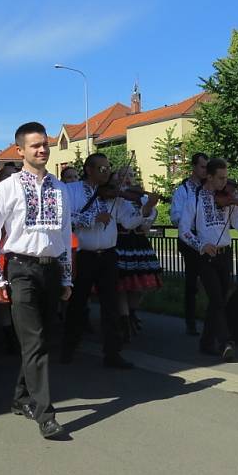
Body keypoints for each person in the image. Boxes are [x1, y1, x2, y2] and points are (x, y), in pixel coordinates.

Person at [0, 122, 72, 439]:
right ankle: (45, 414)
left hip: (50, 269)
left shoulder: (60, 189)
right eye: (35, 145)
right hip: (20, 269)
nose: (42, 149)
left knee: (43, 340)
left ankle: (21, 397)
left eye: (45, 144)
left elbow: (63, 235)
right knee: (33, 342)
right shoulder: (7, 188)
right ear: (20, 150)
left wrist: (67, 278)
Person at [63, 153, 157, 368]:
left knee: (111, 305)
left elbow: (130, 222)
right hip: (84, 255)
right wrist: (92, 218)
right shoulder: (71, 190)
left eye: (108, 169)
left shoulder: (115, 197)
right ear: (89, 170)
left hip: (108, 255)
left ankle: (113, 353)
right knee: (77, 303)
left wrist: (146, 208)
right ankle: (69, 347)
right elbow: (64, 218)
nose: (107, 173)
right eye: (102, 169)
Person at [179, 158, 238, 362]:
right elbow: (184, 230)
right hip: (206, 255)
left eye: (226, 178)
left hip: (225, 253)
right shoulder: (194, 198)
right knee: (217, 299)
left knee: (219, 300)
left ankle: (206, 342)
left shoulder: (228, 199)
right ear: (209, 177)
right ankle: (226, 342)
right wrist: (200, 245)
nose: (224, 183)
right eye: (220, 178)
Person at [113, 167, 161, 341]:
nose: (128, 179)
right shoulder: (117, 196)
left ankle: (131, 312)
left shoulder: (139, 197)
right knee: (122, 283)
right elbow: (126, 221)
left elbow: (151, 215)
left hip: (139, 242)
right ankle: (124, 319)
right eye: (123, 175)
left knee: (140, 282)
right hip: (122, 240)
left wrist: (148, 217)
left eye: (131, 175)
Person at [170, 152, 208, 335]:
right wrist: (189, 217)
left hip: (206, 237)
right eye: (202, 167)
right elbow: (175, 216)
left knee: (211, 280)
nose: (205, 171)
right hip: (190, 237)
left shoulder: (209, 188)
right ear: (193, 167)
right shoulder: (183, 190)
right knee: (192, 280)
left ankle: (211, 318)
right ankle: (190, 321)